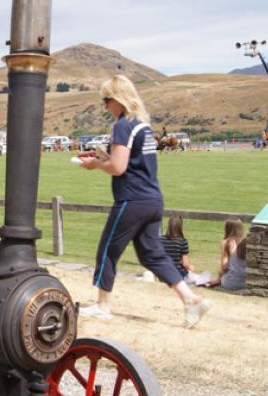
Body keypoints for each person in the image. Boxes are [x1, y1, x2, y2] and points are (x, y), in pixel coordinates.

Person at [74, 75, 211, 328]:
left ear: (118, 100)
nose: (105, 107)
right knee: (152, 255)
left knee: (107, 250)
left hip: (131, 199)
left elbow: (117, 166)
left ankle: (103, 306)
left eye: (106, 100)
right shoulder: (143, 127)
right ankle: (190, 299)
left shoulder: (122, 126)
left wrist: (94, 164)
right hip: (152, 199)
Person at [162, 214, 212, 286]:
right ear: (180, 226)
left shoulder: (161, 239)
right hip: (178, 275)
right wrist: (191, 267)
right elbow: (185, 264)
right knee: (201, 277)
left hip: (164, 273)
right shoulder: (182, 241)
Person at [206, 217, 248, 290]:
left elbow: (224, 267)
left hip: (231, 283)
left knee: (221, 272)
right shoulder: (247, 241)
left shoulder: (227, 242)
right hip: (247, 282)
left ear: (227, 228)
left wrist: (219, 276)